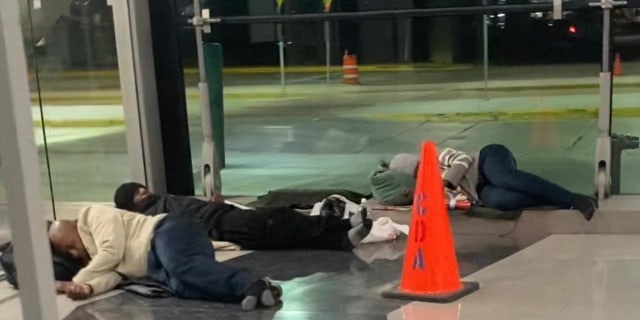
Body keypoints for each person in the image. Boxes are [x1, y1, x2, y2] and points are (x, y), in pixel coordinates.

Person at [49, 205, 281, 310]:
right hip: (157, 265)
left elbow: (112, 251)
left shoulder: (93, 215)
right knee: (182, 286)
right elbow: (113, 276)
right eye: (67, 253)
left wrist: (77, 280)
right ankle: (256, 291)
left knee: (180, 266)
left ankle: (248, 282)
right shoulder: (94, 260)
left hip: (165, 232)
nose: (74, 252)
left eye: (70, 244)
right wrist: (87, 288)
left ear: (72, 225)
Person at [113, 182, 373, 251]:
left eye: (141, 187)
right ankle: (340, 225)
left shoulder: (164, 200)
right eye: (137, 193)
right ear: (131, 206)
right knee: (277, 219)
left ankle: (339, 241)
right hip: (218, 223)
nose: (143, 191)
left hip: (221, 214)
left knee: (278, 233)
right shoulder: (149, 217)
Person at [380, 144, 597, 221]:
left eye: (419, 168)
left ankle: (574, 199)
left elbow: (463, 158)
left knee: (505, 178)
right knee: (503, 200)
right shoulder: (427, 190)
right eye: (417, 175)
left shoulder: (438, 156)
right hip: (481, 191)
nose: (422, 173)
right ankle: (553, 196)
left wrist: (445, 182)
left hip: (486, 160)